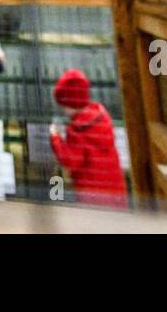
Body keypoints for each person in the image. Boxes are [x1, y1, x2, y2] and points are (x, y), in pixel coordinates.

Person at [49, 68, 128, 208]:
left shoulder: (78, 130)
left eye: (64, 105)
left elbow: (70, 160)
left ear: (72, 104)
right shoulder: (102, 118)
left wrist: (55, 138)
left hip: (92, 196)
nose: (64, 110)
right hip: (116, 191)